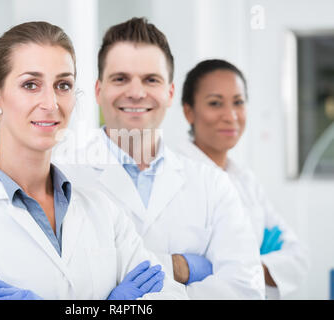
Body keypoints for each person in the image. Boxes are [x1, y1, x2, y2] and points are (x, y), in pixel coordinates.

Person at [0, 21, 190, 300]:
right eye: (30, 84)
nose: (51, 103)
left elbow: (169, 296)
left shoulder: (103, 210)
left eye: (63, 85)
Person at [54, 17, 265, 299]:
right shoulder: (62, 175)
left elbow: (245, 289)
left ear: (169, 93)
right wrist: (183, 268)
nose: (137, 93)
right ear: (98, 91)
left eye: (151, 80)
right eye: (121, 79)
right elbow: (58, 283)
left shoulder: (212, 184)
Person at [178, 59, 309, 299]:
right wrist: (254, 267)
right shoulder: (176, 176)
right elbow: (174, 271)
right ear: (189, 111)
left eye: (238, 102)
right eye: (215, 103)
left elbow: (297, 257)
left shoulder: (245, 179)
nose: (230, 116)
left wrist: (237, 270)